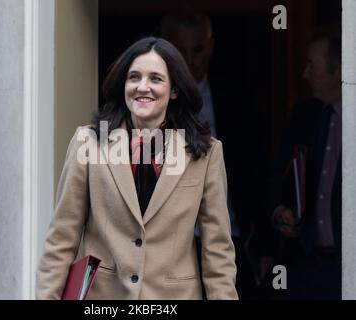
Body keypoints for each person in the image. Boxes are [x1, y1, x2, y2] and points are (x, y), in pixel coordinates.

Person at [36, 37, 238, 300]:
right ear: (123, 85)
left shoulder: (205, 152)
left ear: (174, 90)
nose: (143, 87)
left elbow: (218, 252)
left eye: (155, 79)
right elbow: (62, 238)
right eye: (134, 78)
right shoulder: (89, 142)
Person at [160, 11, 259, 298]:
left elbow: (256, 169)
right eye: (180, 51)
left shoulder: (237, 99)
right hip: (165, 246)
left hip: (230, 239)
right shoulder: (145, 101)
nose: (190, 61)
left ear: (211, 47)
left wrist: (262, 242)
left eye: (198, 49)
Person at [265, 31, 342, 299]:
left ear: (339, 70)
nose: (305, 74)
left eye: (313, 65)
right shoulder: (306, 114)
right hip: (306, 262)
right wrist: (283, 212)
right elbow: (281, 174)